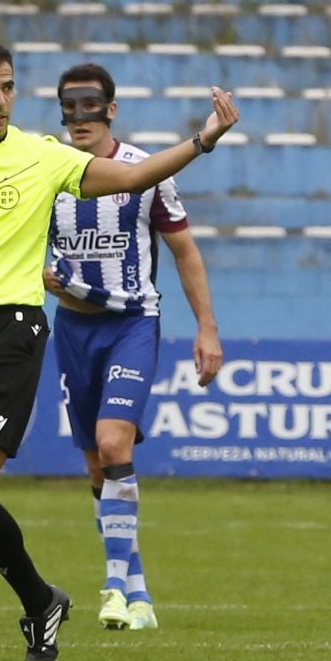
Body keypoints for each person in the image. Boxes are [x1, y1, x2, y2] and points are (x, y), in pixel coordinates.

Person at [0, 39, 239, 661]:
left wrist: (202, 141)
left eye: (7, 86)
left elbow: (135, 176)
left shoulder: (43, 157)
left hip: (13, 331)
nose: (1, 99)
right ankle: (41, 601)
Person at [43, 63, 225, 632]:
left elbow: (185, 252)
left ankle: (114, 588)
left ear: (111, 110)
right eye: (68, 106)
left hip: (132, 324)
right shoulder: (47, 174)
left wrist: (207, 327)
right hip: (73, 331)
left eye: (90, 104)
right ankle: (139, 591)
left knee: (113, 440)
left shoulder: (146, 173)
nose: (79, 117)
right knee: (99, 467)